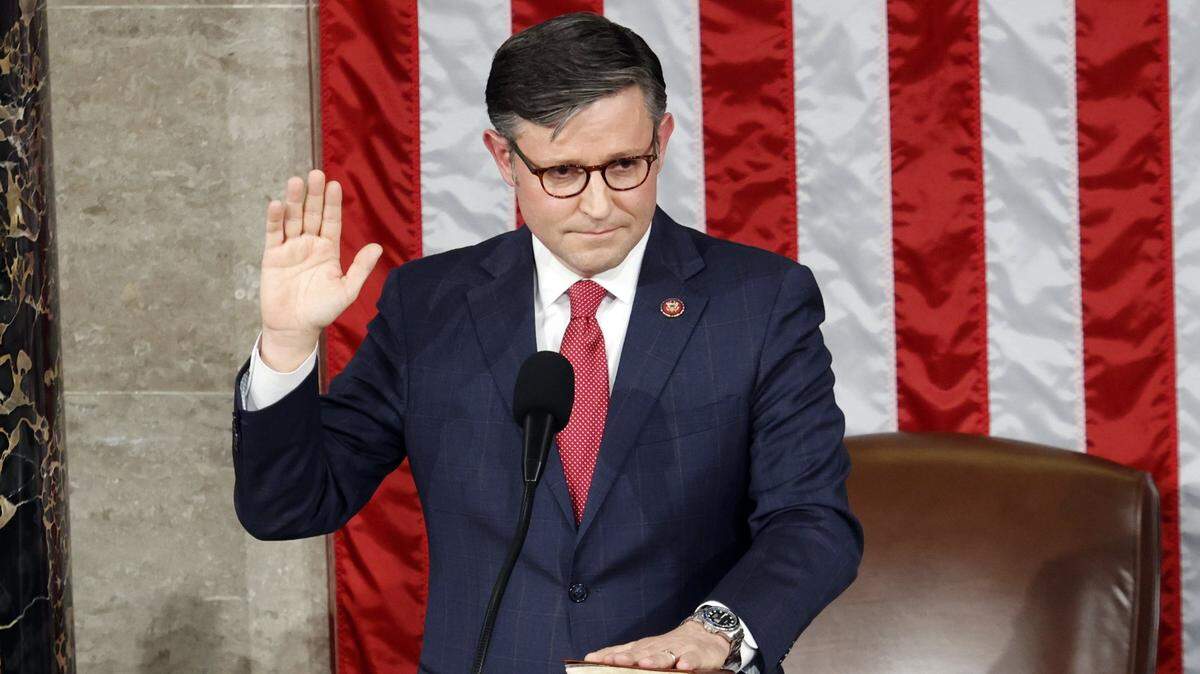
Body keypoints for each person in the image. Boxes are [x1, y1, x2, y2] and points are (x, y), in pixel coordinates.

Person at [231, 11, 863, 674]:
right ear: (505, 159)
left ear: (662, 140)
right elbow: (288, 506)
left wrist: (715, 632)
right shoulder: (429, 306)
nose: (598, 205)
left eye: (624, 165)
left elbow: (811, 520)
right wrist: (287, 343)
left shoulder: (759, 302)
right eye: (562, 173)